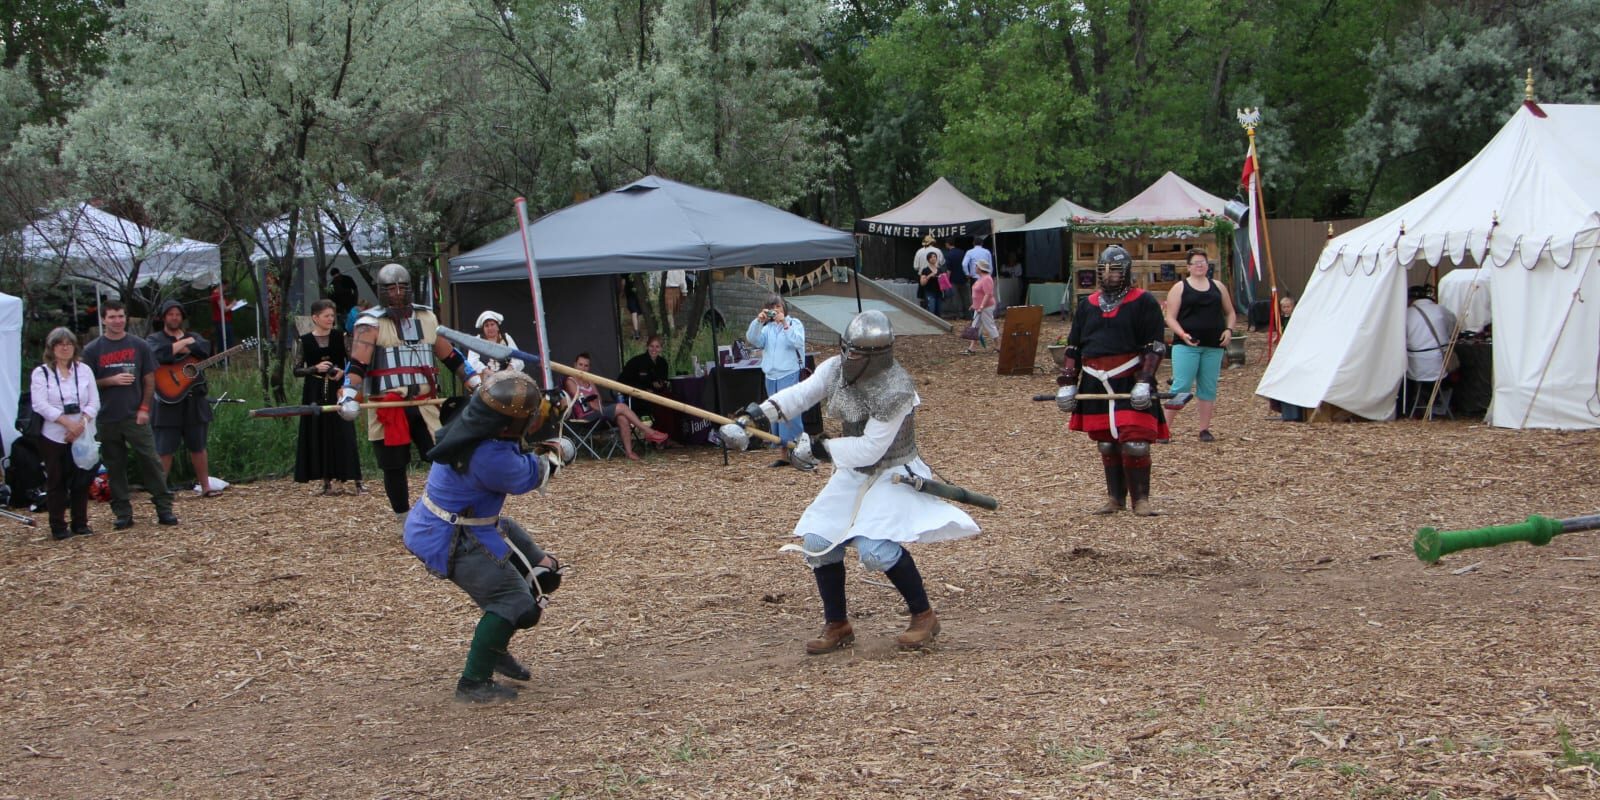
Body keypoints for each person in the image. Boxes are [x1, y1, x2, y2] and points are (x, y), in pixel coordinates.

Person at [720, 310, 980, 654]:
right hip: (853, 469)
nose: (848, 357)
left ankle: (924, 615)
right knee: (816, 541)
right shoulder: (836, 368)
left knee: (875, 550)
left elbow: (872, 448)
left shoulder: (896, 389)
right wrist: (752, 416)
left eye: (857, 352)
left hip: (893, 471)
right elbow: (800, 394)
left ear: (877, 356)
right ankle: (838, 624)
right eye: (847, 349)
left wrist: (820, 448)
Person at [402, 370, 571, 703]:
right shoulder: (490, 456)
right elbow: (531, 473)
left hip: (474, 523)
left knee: (544, 575)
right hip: (450, 536)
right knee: (517, 603)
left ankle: (494, 650)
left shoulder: (474, 420)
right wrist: (558, 453)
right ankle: (473, 681)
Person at [337, 263, 482, 516]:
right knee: (394, 465)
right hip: (388, 405)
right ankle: (402, 516)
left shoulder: (426, 317)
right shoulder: (370, 322)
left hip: (424, 404)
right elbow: (358, 363)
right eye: (391, 288)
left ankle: (449, 508)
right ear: (382, 291)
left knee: (444, 457)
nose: (397, 293)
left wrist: (475, 383)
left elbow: (451, 357)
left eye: (402, 287)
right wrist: (349, 393)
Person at [1055, 245, 1171, 516]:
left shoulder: (1143, 302)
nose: (1109, 275)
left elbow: (1154, 345)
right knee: (1107, 442)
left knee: (1135, 441)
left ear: (1126, 272)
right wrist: (1069, 383)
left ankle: (1141, 499)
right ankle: (1115, 498)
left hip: (1129, 378)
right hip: (1094, 380)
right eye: (1104, 270)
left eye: (1115, 270)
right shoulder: (1088, 305)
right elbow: (1074, 347)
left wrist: (1145, 380)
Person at [82, 300, 178, 529]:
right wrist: (110, 381)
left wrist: (145, 408)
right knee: (115, 467)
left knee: (151, 462)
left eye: (121, 316)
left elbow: (149, 378)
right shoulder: (93, 349)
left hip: (135, 415)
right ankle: (123, 512)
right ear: (104, 319)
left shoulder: (139, 345)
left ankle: (164, 508)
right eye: (112, 317)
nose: (117, 321)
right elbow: (86, 384)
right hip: (106, 417)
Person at [30, 328, 101, 540]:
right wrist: (66, 423)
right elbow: (40, 404)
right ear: (52, 348)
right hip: (54, 435)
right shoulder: (41, 373)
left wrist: (80, 424)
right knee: (56, 480)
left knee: (81, 479)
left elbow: (94, 401)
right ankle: (58, 525)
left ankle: (80, 522)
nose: (64, 347)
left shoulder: (84, 370)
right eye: (59, 344)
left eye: (68, 343)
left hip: (83, 432)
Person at [1162, 250, 1237, 442]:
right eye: (1196, 263)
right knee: (1182, 385)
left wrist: (1228, 330)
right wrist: (1182, 334)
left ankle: (1204, 429)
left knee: (1208, 386)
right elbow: (1170, 317)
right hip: (1187, 345)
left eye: (1203, 262)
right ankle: (1163, 428)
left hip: (1213, 345)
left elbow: (1230, 312)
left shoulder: (1218, 287)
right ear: (1188, 267)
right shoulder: (1179, 288)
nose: (1200, 266)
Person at [147, 299, 217, 496]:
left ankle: (206, 488)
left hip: (194, 400)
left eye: (177, 314)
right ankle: (159, 492)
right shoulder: (155, 339)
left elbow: (203, 350)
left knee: (198, 446)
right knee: (165, 448)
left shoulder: (195, 336)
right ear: (163, 317)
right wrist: (185, 343)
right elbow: (158, 355)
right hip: (167, 401)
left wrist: (180, 346)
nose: (174, 317)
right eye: (170, 314)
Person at [294, 300, 364, 496]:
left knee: (344, 430)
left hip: (339, 387)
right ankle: (326, 480)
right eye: (326, 316)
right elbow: (296, 369)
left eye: (332, 316)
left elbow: (355, 361)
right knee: (320, 431)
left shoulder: (340, 337)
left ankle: (356, 479)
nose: (330, 320)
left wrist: (344, 373)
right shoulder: (305, 340)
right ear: (315, 318)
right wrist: (314, 368)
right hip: (315, 389)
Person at [564, 352, 670, 460]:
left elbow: (598, 400)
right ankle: (647, 431)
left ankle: (629, 453)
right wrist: (595, 404)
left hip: (598, 414)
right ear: (574, 365)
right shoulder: (570, 381)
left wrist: (595, 404)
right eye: (580, 365)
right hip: (585, 418)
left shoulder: (590, 381)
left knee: (622, 418)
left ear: (589, 367)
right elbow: (584, 401)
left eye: (586, 365)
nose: (583, 368)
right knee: (621, 406)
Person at [745, 296, 807, 467]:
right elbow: (753, 340)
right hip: (771, 375)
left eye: (778, 307)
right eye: (772, 308)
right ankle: (783, 453)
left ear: (784, 308)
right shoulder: (767, 328)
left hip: (789, 372)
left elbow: (798, 342)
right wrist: (758, 322)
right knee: (775, 413)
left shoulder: (795, 324)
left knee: (790, 411)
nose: (776, 311)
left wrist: (785, 324)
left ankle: (798, 450)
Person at [1403, 284, 1457, 417]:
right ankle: (1449, 403)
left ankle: (1416, 405)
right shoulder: (1440, 310)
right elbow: (1454, 329)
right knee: (1458, 368)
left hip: (1414, 368)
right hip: (1439, 366)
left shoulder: (1405, 314)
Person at [619, 334, 671, 418]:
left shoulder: (663, 363)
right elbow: (622, 381)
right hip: (637, 397)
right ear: (647, 346)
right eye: (651, 346)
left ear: (661, 348)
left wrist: (660, 385)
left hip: (657, 396)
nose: (654, 349)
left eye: (657, 347)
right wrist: (643, 390)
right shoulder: (636, 362)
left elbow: (663, 381)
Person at [466, 310, 524, 376]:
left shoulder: (506, 338)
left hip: (507, 378)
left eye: (492, 324)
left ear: (497, 327)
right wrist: (490, 373)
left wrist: (508, 370)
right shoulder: (476, 341)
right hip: (485, 380)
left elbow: (519, 359)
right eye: (486, 326)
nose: (490, 328)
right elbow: (472, 362)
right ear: (483, 329)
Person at [964, 260, 999, 355]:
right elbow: (978, 294)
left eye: (976, 266)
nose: (975, 268)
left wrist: (982, 306)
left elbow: (988, 294)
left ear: (980, 268)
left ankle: (997, 345)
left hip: (985, 307)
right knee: (975, 327)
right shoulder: (981, 278)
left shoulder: (987, 279)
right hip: (979, 307)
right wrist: (974, 304)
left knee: (989, 325)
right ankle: (972, 348)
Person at [961, 235, 994, 314]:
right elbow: (990, 265)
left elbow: (964, 264)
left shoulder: (970, 252)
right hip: (986, 276)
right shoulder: (987, 252)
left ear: (973, 243)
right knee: (987, 295)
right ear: (982, 243)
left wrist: (967, 274)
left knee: (976, 296)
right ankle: (985, 311)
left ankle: (976, 312)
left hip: (974, 277)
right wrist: (989, 275)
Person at [942, 237, 967, 316]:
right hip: (963, 278)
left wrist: (947, 281)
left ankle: (959, 314)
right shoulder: (962, 252)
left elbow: (949, 269)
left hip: (953, 279)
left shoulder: (948, 255)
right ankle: (968, 313)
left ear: (947, 244)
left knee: (956, 298)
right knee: (965, 297)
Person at [916, 250, 943, 319]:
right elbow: (922, 283)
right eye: (931, 257)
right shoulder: (925, 270)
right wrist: (929, 276)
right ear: (928, 259)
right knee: (931, 309)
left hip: (939, 292)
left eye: (934, 256)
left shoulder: (940, 270)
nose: (933, 258)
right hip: (929, 292)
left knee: (939, 310)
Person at [210, 279, 233, 351]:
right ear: (222, 285)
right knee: (226, 342)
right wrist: (233, 304)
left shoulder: (215, 294)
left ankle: (222, 360)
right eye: (225, 287)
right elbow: (224, 309)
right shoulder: (218, 295)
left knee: (221, 342)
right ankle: (224, 360)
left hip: (219, 320)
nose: (225, 289)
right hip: (222, 321)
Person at [621, 275, 644, 341]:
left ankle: (636, 333)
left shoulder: (625, 270)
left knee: (634, 312)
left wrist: (622, 292)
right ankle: (638, 331)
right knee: (639, 313)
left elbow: (623, 282)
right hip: (639, 292)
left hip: (630, 293)